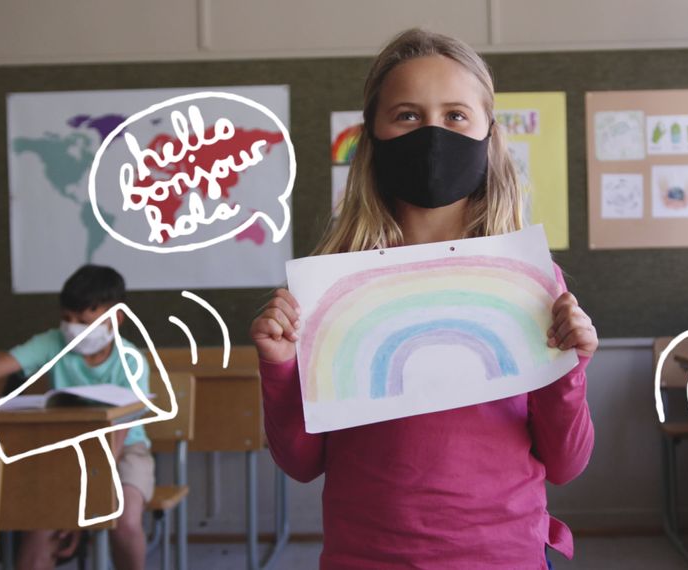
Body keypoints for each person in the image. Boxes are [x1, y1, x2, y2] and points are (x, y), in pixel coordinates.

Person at [250, 28, 597, 569]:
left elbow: (567, 462)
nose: (433, 134)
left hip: (504, 557)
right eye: (407, 115)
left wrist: (569, 367)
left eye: (456, 115)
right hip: (367, 557)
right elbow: (301, 462)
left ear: (489, 133)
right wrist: (279, 370)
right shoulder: (331, 288)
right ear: (373, 134)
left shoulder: (529, 282)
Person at [0, 264, 153, 570]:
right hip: (63, 451)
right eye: (67, 319)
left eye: (83, 321)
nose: (72, 328)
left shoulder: (132, 361)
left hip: (123, 451)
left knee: (125, 522)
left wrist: (85, 495)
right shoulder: (52, 343)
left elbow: (121, 431)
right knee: (41, 523)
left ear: (114, 318)